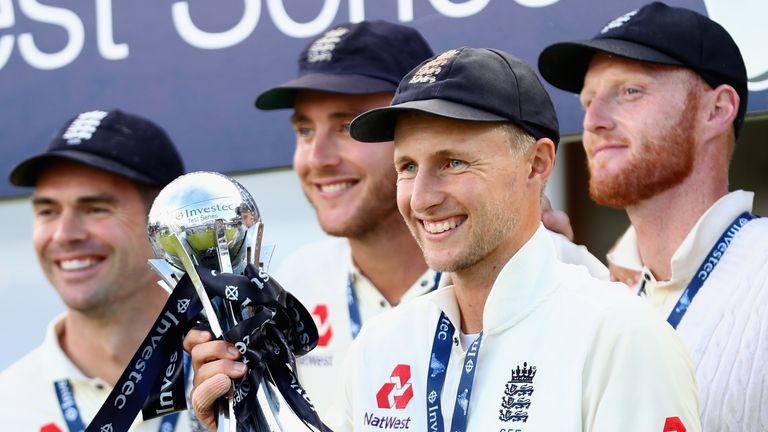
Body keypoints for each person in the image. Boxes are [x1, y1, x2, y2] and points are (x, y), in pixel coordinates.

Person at [189, 47, 701, 431]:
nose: (423, 197)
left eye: (453, 162)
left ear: (538, 163)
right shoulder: (383, 344)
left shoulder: (620, 334)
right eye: (408, 167)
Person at [538, 2, 768, 430]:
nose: (593, 121)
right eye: (588, 100)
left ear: (716, 110)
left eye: (629, 91)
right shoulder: (594, 290)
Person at [0, 109, 196, 430]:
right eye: (48, 211)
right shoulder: (8, 405)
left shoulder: (247, 378)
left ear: (166, 225)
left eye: (95, 209)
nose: (64, 235)